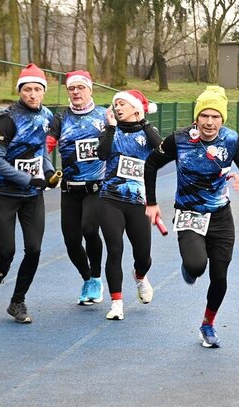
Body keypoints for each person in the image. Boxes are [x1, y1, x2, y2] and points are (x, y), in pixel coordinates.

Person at [144, 86, 239, 348]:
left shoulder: (231, 140)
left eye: (215, 117)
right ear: (196, 117)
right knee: (197, 266)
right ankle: (190, 266)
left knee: (219, 276)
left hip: (220, 216)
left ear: (222, 119)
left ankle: (208, 324)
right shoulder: (180, 139)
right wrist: (151, 203)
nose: (209, 122)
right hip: (189, 213)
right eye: (204, 116)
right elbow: (151, 164)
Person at [0, 64, 58, 324]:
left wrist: (49, 172)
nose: (32, 94)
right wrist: (28, 179)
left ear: (44, 91)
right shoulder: (7, 120)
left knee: (34, 249)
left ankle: (17, 302)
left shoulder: (47, 116)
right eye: (27, 89)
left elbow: (41, 151)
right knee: (7, 251)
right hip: (4, 193)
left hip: (32, 196)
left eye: (37, 89)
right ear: (20, 91)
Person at [97, 89, 162, 320]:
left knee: (143, 256)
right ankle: (116, 303)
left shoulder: (148, 131)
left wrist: (143, 121)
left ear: (136, 108)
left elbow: (160, 148)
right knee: (114, 249)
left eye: (122, 104)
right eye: (115, 104)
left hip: (138, 201)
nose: (118, 108)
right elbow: (102, 154)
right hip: (110, 198)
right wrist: (111, 127)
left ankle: (140, 276)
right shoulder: (110, 131)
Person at [46, 70, 107, 306]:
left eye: (81, 87)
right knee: (71, 240)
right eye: (72, 88)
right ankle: (87, 278)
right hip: (70, 188)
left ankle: (97, 278)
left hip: (96, 187)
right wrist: (44, 168)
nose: (76, 92)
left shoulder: (104, 116)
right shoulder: (61, 118)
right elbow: (47, 145)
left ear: (90, 89)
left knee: (89, 229)